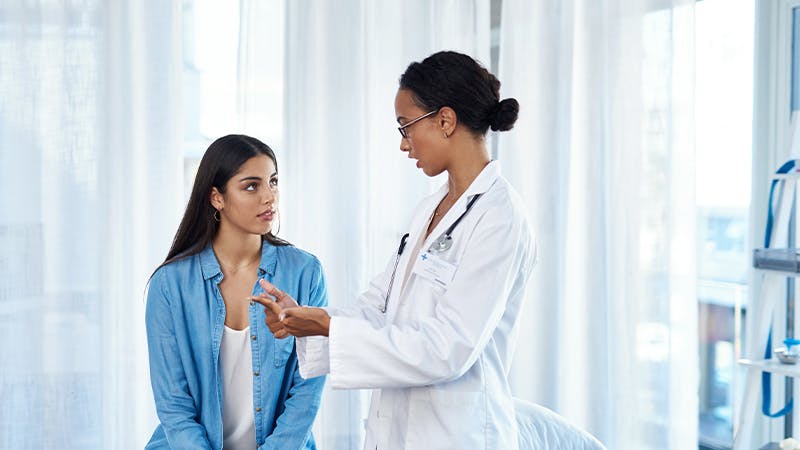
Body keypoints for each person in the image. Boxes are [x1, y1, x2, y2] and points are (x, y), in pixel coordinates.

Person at [253, 51, 537, 450]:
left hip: (458, 435)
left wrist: (327, 326)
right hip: (399, 429)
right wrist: (308, 318)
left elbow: (448, 348)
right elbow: (380, 307)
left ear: (445, 120)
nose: (404, 145)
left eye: (406, 127)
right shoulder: (429, 209)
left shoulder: (500, 217)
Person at [144, 134, 327, 450]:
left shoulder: (304, 272)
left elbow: (309, 386)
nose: (269, 196)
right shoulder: (169, 284)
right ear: (217, 198)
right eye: (251, 186)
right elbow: (173, 402)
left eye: (273, 182)